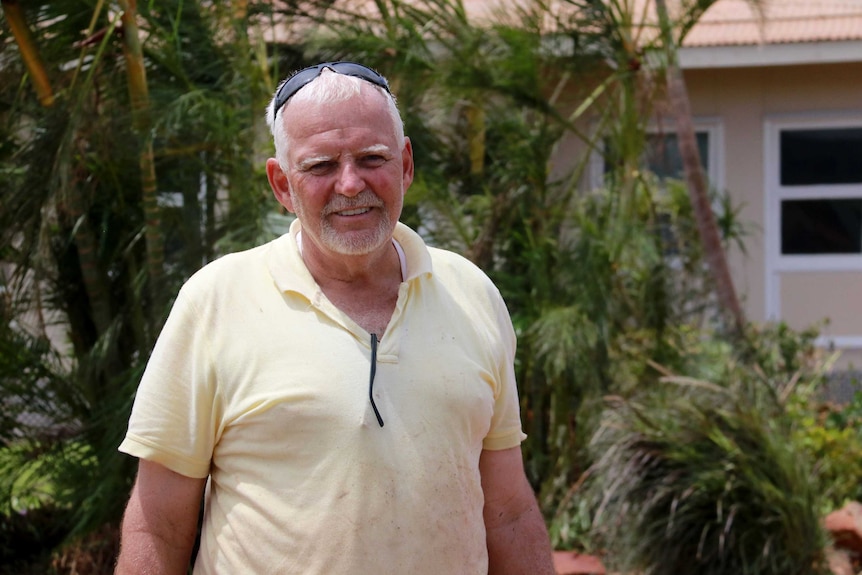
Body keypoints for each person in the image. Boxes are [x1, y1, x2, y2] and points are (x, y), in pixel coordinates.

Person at [114, 61, 556, 575]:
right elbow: (159, 525)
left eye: (372, 158)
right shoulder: (215, 302)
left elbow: (508, 512)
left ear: (406, 165)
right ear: (282, 184)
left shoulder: (471, 294)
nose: (350, 185)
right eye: (320, 166)